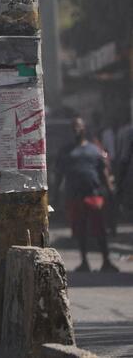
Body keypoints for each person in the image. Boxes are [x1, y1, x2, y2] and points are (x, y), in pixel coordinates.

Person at [56, 117, 119, 273]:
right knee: (80, 230)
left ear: (84, 129)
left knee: (100, 229)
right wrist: (56, 195)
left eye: (79, 127)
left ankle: (106, 261)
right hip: (75, 196)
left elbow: (103, 172)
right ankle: (84, 262)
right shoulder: (66, 152)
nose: (77, 130)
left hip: (93, 195)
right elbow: (59, 174)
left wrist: (110, 191)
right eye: (74, 127)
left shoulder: (94, 150)